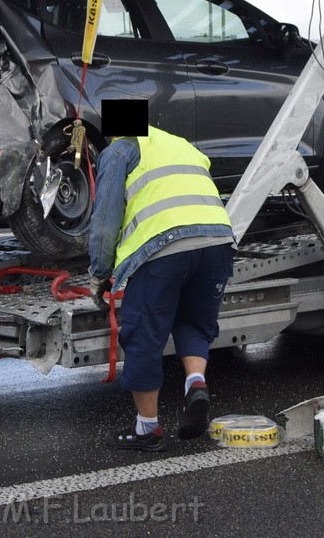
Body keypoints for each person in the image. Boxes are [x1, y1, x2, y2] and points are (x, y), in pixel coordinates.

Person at [88, 101, 235, 452]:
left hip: (163, 248)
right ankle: (195, 383)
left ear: (112, 128)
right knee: (194, 324)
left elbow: (106, 221)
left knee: (144, 336)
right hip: (218, 241)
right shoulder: (180, 144)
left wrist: (100, 273)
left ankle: (148, 430)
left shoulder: (120, 150)